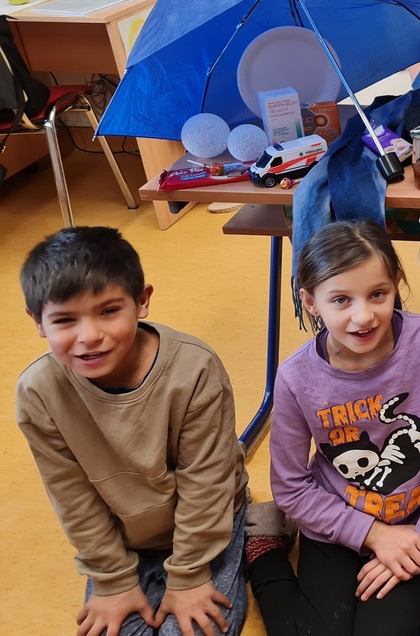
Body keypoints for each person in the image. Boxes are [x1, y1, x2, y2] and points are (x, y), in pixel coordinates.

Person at [246, 220, 420, 636]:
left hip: (413, 521)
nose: (363, 316)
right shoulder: (296, 377)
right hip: (333, 521)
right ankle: (264, 551)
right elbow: (290, 485)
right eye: (341, 300)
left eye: (378, 294)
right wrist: (372, 534)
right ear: (310, 302)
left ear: (396, 284)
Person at [15, 226, 249, 636]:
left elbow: (205, 483)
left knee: (191, 629)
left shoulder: (193, 369)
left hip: (205, 525)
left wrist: (189, 575)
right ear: (37, 322)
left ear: (142, 301)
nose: (89, 337)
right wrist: (113, 579)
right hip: (124, 539)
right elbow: (71, 495)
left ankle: (256, 530)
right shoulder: (38, 392)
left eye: (108, 311)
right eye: (65, 320)